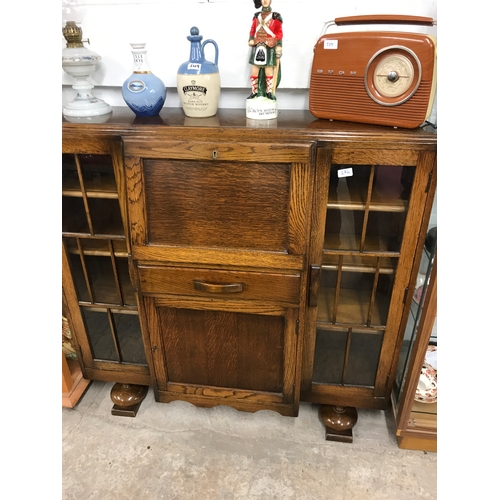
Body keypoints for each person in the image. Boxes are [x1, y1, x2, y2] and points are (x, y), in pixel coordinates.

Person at [247, 0, 283, 100]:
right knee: (254, 70)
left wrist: (279, 45)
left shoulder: (276, 16)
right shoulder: (256, 16)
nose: (265, 1)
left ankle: (269, 93)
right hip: (257, 45)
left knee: (269, 71)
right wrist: (250, 39)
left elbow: (279, 33)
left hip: (269, 46)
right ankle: (254, 92)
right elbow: (253, 29)